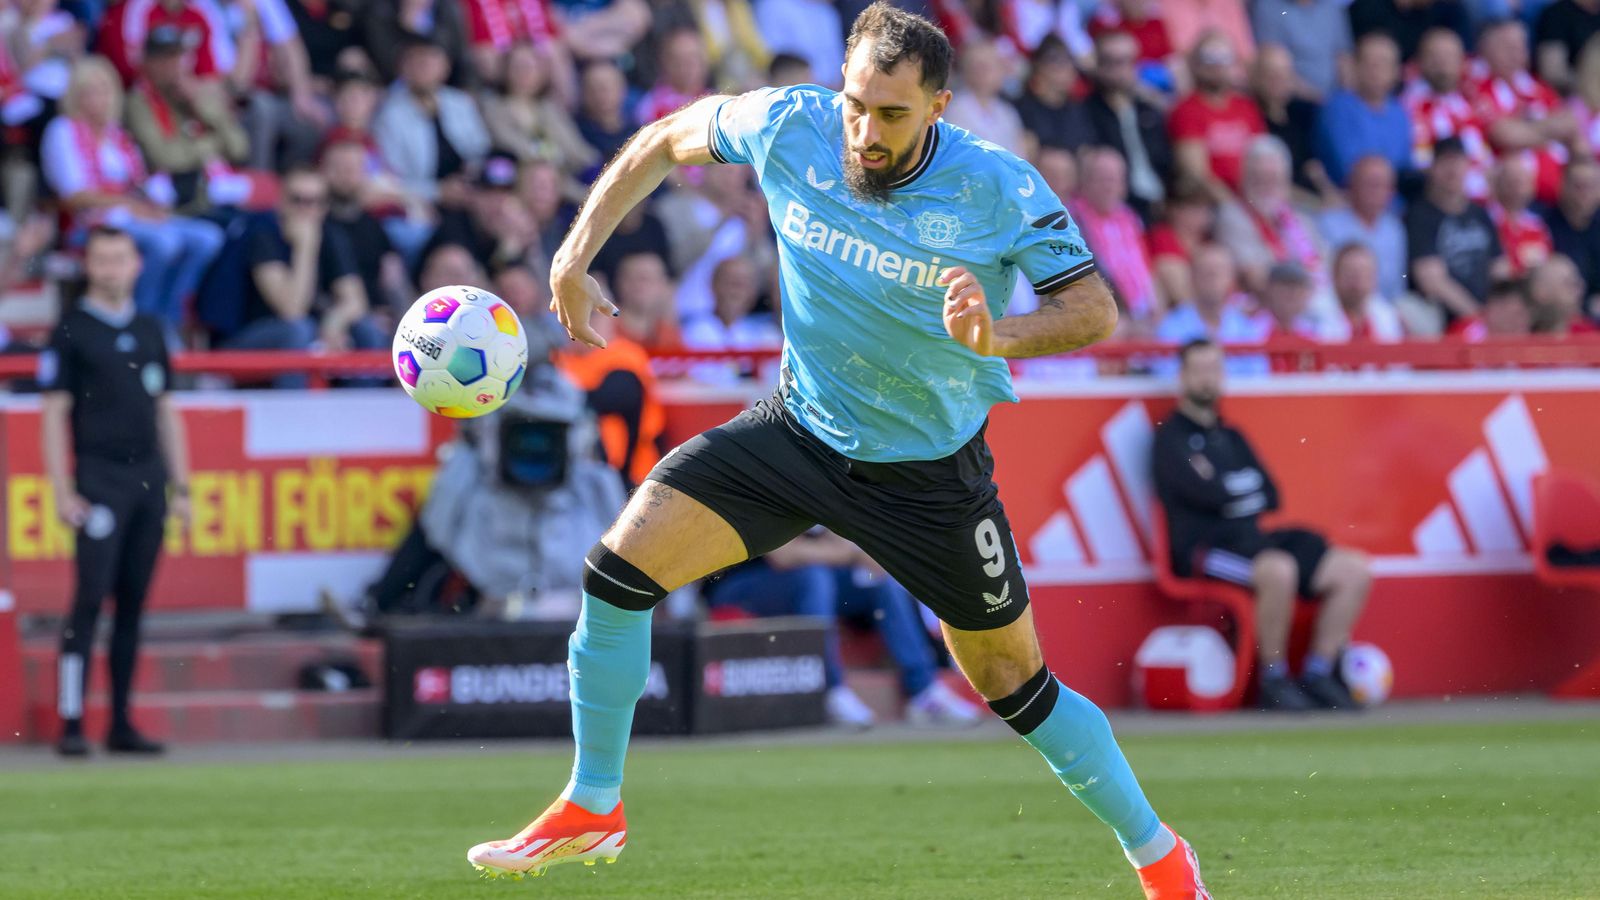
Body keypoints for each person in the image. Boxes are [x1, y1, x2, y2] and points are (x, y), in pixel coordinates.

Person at [466, 6, 1207, 895]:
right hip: (799, 431)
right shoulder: (790, 122)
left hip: (930, 474)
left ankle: (1160, 857)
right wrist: (573, 257)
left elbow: (1094, 310)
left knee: (1015, 685)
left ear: (938, 104)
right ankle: (594, 804)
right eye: (857, 103)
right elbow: (665, 138)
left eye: (892, 114)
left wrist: (996, 335)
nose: (865, 129)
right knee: (617, 574)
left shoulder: (997, 187)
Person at [1153, 338, 1373, 712]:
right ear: (1183, 377)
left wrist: (1231, 490)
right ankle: (1273, 678)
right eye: (1200, 370)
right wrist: (1237, 490)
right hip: (1205, 551)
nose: (1208, 379)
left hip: (1252, 540)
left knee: (1353, 569)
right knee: (1279, 570)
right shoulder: (1171, 439)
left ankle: (1319, 672)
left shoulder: (1233, 436)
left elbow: (1270, 494)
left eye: (1215, 369)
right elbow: (1207, 497)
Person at [39, 225, 191, 757]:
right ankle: (72, 721)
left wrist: (184, 487)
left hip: (148, 482)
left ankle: (121, 722)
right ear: (89, 267)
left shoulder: (151, 328)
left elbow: (166, 410)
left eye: (118, 259)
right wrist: (62, 490)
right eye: (100, 259)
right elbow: (53, 412)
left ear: (135, 265)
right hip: (99, 478)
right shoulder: (73, 329)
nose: (110, 269)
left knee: (133, 603)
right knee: (89, 598)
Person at [704, 528, 982, 728]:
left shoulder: (827, 484)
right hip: (737, 585)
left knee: (878, 582)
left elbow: (868, 557)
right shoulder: (767, 480)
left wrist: (841, 551)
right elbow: (783, 556)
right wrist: (841, 552)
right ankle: (830, 688)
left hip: (805, 580)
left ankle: (923, 692)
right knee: (815, 577)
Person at [41, 55, 224, 340]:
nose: (98, 100)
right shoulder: (63, 131)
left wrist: (153, 204)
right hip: (90, 225)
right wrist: (132, 206)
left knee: (208, 237)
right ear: (75, 97)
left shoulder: (118, 136)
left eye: (104, 91)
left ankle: (169, 315)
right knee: (165, 244)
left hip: (133, 216)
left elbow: (136, 183)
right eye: (89, 92)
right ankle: (144, 319)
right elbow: (75, 196)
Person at [1406, 136, 1503, 329]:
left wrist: (1500, 310)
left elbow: (1500, 268)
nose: (1452, 170)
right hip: (1443, 316)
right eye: (1445, 162)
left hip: (1487, 312)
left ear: (1467, 167)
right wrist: (1478, 317)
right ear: (1432, 169)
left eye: (1457, 162)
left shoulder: (1479, 212)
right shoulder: (1419, 215)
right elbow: (1432, 281)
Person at [1082, 29, 1171, 222]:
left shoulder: (1148, 110)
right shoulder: (1086, 111)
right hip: (1119, 204)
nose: (1119, 71)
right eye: (1111, 62)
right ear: (1097, 65)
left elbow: (1165, 160)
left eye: (1125, 62)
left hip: (1161, 202)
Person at [1168, 31, 1265, 198]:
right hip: (1215, 203)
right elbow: (1197, 175)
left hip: (1253, 198)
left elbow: (1263, 161)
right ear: (1195, 64)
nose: (1217, 66)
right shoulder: (1186, 109)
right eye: (1210, 58)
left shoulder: (1247, 106)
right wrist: (1237, 208)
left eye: (1225, 58)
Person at [1313, 32, 1411, 189]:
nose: (1375, 70)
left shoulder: (1400, 113)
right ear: (1355, 66)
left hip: (1396, 206)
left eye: (1383, 63)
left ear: (1396, 72)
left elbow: (1406, 169)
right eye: (1369, 62)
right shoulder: (1337, 108)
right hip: (1349, 204)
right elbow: (1348, 170)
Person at [1316, 155, 1409, 302]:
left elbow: (1400, 281)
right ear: (1352, 185)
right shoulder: (1327, 223)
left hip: (1389, 304)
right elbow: (1323, 278)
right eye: (1370, 184)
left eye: (1382, 185)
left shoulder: (1395, 228)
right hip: (1343, 303)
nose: (1376, 191)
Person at [1250, 0, 1352, 101]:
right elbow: (1271, 64)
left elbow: (1343, 57)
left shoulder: (1331, 7)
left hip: (1333, 99)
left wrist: (1346, 95)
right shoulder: (1268, 6)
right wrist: (1317, 99)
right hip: (1292, 98)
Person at [1322, 242, 1406, 342]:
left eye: (1365, 273)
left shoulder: (1387, 316)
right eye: (1351, 273)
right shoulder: (1314, 315)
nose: (1358, 280)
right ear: (1335, 275)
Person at [1545, 157, 1600, 294]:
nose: (1584, 194)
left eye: (1591, 187)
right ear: (1563, 186)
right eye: (1579, 186)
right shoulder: (1544, 225)